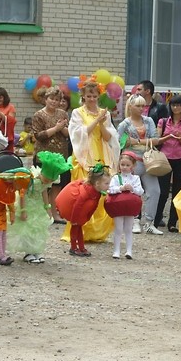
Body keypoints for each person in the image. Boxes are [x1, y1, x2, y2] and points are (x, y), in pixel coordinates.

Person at [66, 77, 120, 242]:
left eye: (94, 96)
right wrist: (96, 121)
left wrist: (102, 124)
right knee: (84, 192)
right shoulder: (77, 112)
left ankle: (97, 232)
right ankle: (81, 230)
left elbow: (108, 137)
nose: (91, 99)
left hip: (100, 153)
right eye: (88, 96)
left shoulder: (106, 113)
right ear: (83, 96)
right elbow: (78, 133)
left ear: (98, 96)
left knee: (101, 190)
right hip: (85, 154)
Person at [118, 94, 170, 235]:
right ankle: (134, 220)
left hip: (148, 160)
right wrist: (127, 142)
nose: (142, 108)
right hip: (131, 161)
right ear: (131, 106)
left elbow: (156, 139)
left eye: (143, 105)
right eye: (138, 105)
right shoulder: (124, 124)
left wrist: (137, 141)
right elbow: (118, 142)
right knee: (133, 191)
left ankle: (149, 222)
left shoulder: (149, 121)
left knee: (154, 191)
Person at [7, 151, 71, 263]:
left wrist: (47, 208)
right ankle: (28, 252)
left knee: (37, 228)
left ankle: (36, 250)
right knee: (27, 228)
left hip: (37, 206)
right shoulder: (30, 179)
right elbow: (22, 194)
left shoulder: (45, 182)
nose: (47, 182)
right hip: (27, 205)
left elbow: (44, 192)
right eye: (46, 180)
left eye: (50, 181)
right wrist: (23, 210)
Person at [154, 95, 181, 232]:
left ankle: (173, 222)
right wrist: (169, 136)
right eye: (173, 105)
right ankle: (156, 219)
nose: (176, 108)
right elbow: (157, 140)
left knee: (177, 191)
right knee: (162, 191)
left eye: (179, 105)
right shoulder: (163, 121)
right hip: (164, 158)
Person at [32, 86, 70, 223]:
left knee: (57, 186)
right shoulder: (38, 115)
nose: (54, 102)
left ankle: (55, 214)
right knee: (43, 185)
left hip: (60, 154)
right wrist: (56, 128)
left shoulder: (63, 114)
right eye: (51, 99)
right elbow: (39, 135)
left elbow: (67, 134)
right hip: (44, 155)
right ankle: (44, 213)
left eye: (57, 100)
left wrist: (63, 128)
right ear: (46, 99)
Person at [55, 163, 110, 257]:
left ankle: (81, 247)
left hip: (80, 217)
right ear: (97, 183)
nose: (108, 186)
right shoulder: (86, 192)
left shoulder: (97, 192)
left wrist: (86, 217)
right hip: (76, 216)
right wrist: (74, 219)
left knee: (79, 230)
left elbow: (94, 206)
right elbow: (77, 205)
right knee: (75, 230)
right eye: (106, 183)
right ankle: (73, 247)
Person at [0, 164, 32, 266]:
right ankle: (0, 256)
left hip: (1, 210)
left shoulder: (11, 186)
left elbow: (9, 199)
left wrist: (12, 213)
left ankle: (2, 254)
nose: (19, 189)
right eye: (19, 187)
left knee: (4, 231)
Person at [108, 152, 144, 259]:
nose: (124, 167)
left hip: (130, 207)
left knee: (128, 229)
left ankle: (129, 251)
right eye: (122, 165)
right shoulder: (115, 178)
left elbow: (141, 191)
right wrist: (120, 188)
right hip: (118, 206)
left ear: (133, 166)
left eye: (128, 165)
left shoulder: (135, 178)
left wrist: (132, 189)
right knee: (118, 229)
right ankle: (116, 251)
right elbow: (110, 190)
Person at [0, 87, 17, 152]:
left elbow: (10, 120)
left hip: (6, 137)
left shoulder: (10, 107)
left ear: (5, 97)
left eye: (0, 98)